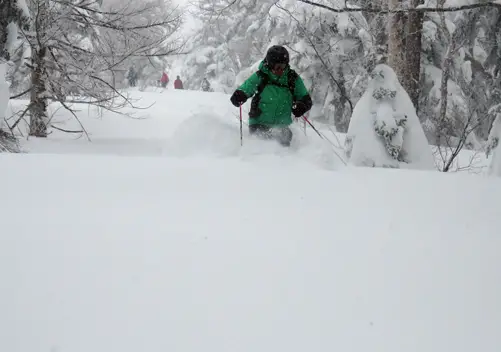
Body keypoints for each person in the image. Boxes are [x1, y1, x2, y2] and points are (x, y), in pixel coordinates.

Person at [229, 45, 312, 147]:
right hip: (259, 123)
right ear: (270, 64)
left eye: (283, 66)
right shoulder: (261, 76)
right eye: (277, 67)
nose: (280, 70)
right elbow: (247, 88)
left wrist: (301, 105)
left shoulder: (292, 79)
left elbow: (306, 99)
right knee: (260, 150)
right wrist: (240, 95)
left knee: (284, 155)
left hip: (282, 126)